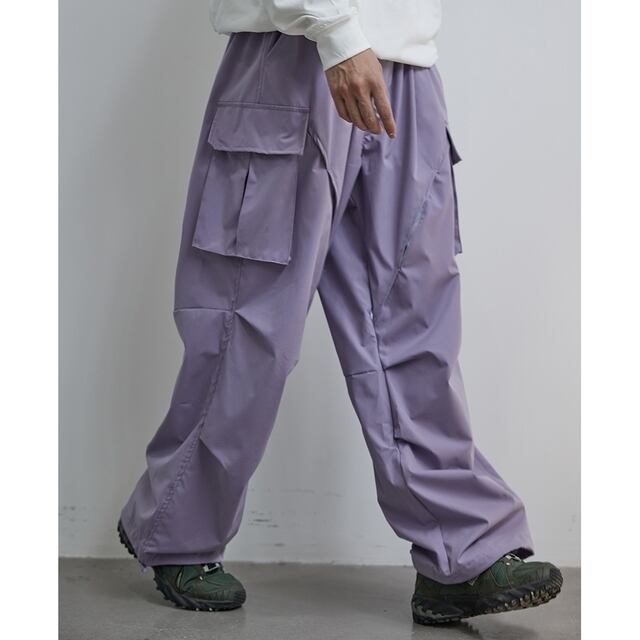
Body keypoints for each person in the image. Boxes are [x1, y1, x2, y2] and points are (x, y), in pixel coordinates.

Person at [117, 0, 563, 625]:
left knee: (414, 324)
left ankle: (457, 551)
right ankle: (176, 528)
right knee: (247, 322)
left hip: (407, 71)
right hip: (297, 53)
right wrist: (335, 31)